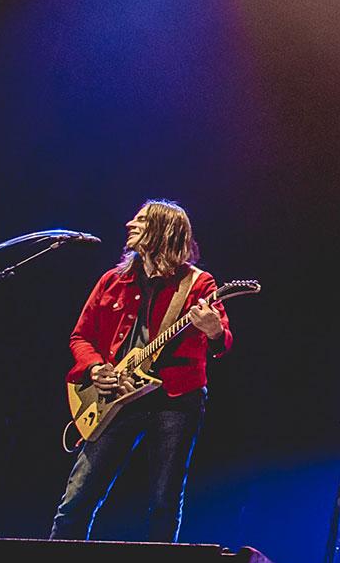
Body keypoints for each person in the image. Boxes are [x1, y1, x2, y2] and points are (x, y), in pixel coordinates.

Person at [50, 200, 231, 542]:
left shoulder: (199, 284)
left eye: (142, 220)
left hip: (175, 400)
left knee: (164, 501)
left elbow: (222, 340)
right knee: (77, 498)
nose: (130, 224)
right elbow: (80, 336)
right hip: (116, 396)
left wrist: (213, 330)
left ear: (164, 231)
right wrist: (94, 368)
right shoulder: (113, 280)